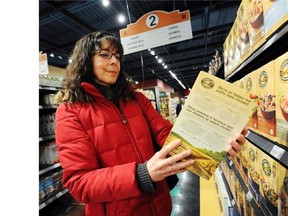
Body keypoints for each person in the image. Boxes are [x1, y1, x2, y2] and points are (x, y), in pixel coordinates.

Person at [54, 30, 248, 216]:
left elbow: (166, 134)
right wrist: (141, 174)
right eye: (105, 54)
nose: (114, 61)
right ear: (85, 60)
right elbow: (79, 182)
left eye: (118, 56)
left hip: (159, 205)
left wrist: (214, 143)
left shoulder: (136, 100)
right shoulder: (70, 111)